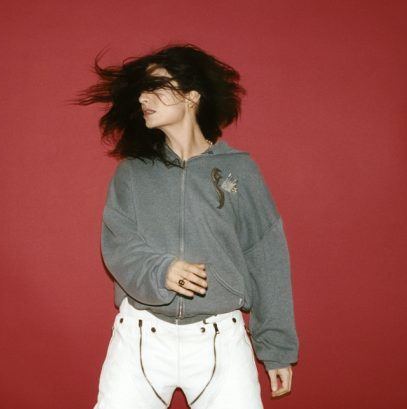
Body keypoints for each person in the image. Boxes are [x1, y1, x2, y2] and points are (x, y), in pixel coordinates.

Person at [76, 43, 298, 408]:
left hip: (220, 342)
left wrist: (276, 349)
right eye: (141, 91)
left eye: (155, 87)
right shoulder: (133, 173)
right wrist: (161, 271)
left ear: (192, 95)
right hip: (140, 340)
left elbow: (266, 257)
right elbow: (118, 245)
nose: (143, 98)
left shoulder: (238, 170)